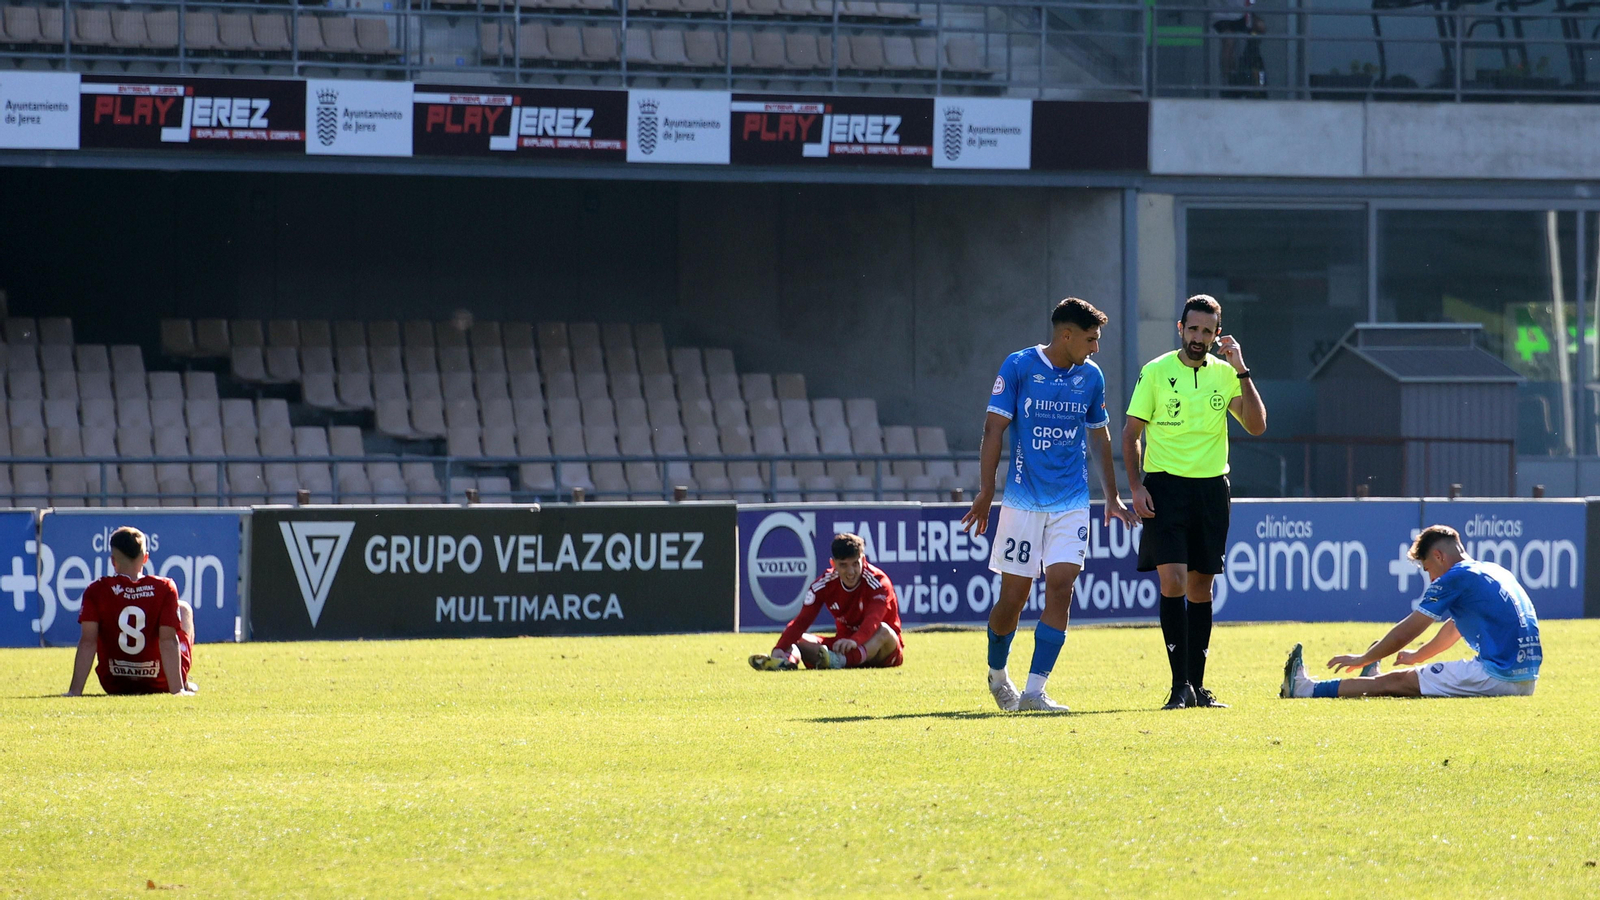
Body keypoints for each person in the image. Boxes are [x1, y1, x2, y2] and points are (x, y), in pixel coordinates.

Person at [960, 297, 1138, 713]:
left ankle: (1035, 692)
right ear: (1066, 335)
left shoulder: (1091, 377)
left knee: (1061, 588)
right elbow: (993, 429)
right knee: (1014, 599)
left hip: (1072, 502)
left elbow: (1099, 436)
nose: (1096, 348)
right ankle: (998, 675)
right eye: (1091, 339)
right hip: (1023, 503)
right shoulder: (1019, 367)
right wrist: (987, 491)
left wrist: (1111, 496)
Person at [1122, 294, 1266, 710]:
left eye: (1207, 330)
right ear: (1180, 328)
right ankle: (1178, 685)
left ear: (1217, 334)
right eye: (1193, 329)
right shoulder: (1155, 371)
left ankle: (1198, 688)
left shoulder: (1227, 375)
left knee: (1202, 586)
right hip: (1165, 487)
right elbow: (1131, 434)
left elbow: (1256, 426)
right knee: (1174, 582)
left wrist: (1242, 368)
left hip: (1211, 489)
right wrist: (1136, 487)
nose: (1199, 337)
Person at [1281, 524, 1541, 699]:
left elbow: (1408, 630)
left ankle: (1305, 689)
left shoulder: (1455, 578)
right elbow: (1455, 627)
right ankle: (1367, 674)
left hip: (1498, 676)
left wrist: (1363, 656)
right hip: (1527, 677)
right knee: (1402, 679)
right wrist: (1419, 655)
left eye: (1427, 569)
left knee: (1394, 684)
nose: (1430, 578)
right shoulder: (1493, 570)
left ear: (1439, 556)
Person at [65, 526, 196, 697]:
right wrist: (177, 690)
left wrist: (74, 691)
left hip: (114, 682)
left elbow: (88, 642)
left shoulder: (96, 590)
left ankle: (76, 689)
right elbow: (168, 641)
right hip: (160, 682)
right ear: (145, 558)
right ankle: (181, 682)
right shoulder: (164, 588)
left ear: (113, 561)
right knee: (184, 609)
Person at [748, 533, 904, 671]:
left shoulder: (879, 582)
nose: (851, 572)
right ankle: (786, 661)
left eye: (855, 564)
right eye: (843, 565)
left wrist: (854, 641)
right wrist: (779, 647)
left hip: (881, 652)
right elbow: (802, 621)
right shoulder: (824, 584)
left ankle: (842, 662)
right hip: (843, 645)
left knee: (884, 631)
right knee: (798, 637)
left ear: (863, 559)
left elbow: (873, 621)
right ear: (833, 564)